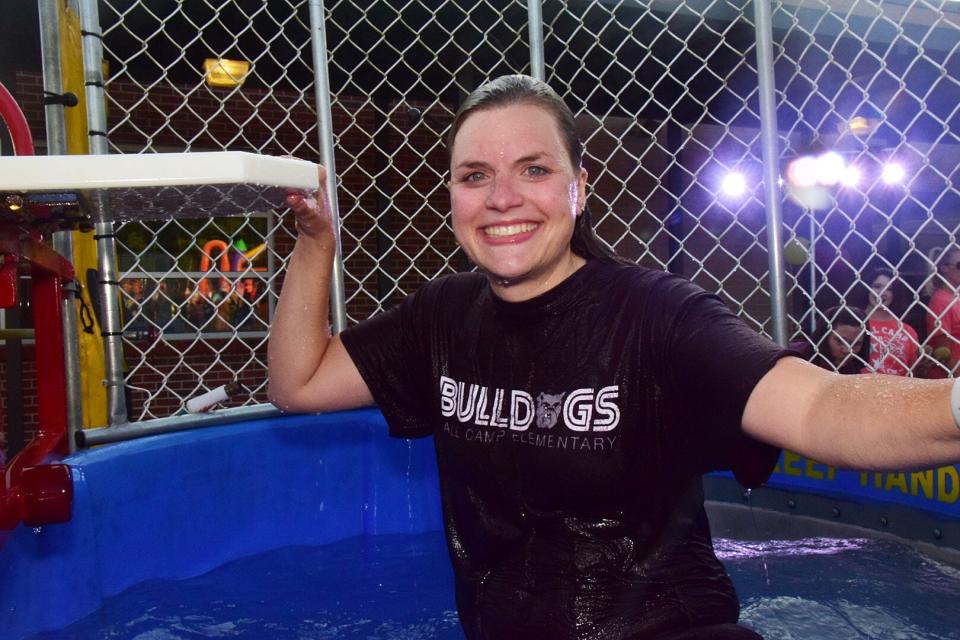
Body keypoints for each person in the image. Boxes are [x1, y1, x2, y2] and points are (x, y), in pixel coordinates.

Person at [268, 74, 960, 640]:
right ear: (452, 196)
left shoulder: (656, 317)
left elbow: (820, 406)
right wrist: (314, 243)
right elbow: (298, 382)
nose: (502, 197)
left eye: (533, 170)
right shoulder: (441, 318)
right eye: (474, 176)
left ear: (579, 186)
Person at [865, 268, 920, 376]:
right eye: (877, 286)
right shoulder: (854, 323)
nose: (882, 292)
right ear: (867, 289)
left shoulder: (907, 330)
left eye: (889, 289)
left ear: (895, 295)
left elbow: (915, 371)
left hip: (898, 390)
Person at [792, 305, 871, 375]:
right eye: (840, 341)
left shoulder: (851, 369)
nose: (847, 350)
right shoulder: (795, 355)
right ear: (823, 336)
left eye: (856, 344)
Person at [926, 245, 960, 377]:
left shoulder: (954, 298)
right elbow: (944, 353)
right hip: (951, 377)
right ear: (944, 268)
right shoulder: (941, 301)